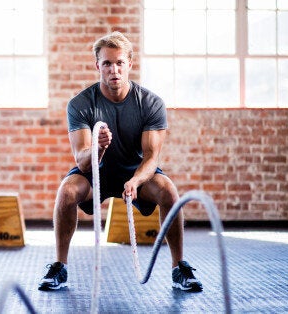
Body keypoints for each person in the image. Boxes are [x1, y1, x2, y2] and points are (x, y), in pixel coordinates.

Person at [38, 31, 202, 292]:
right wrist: (99, 148)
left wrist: (136, 180)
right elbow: (82, 162)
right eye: (106, 63)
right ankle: (59, 266)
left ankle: (179, 267)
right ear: (97, 66)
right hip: (95, 173)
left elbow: (151, 157)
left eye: (119, 63)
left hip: (134, 172)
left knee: (169, 190)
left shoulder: (150, 103)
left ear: (130, 65)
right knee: (67, 191)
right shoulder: (80, 104)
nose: (113, 69)